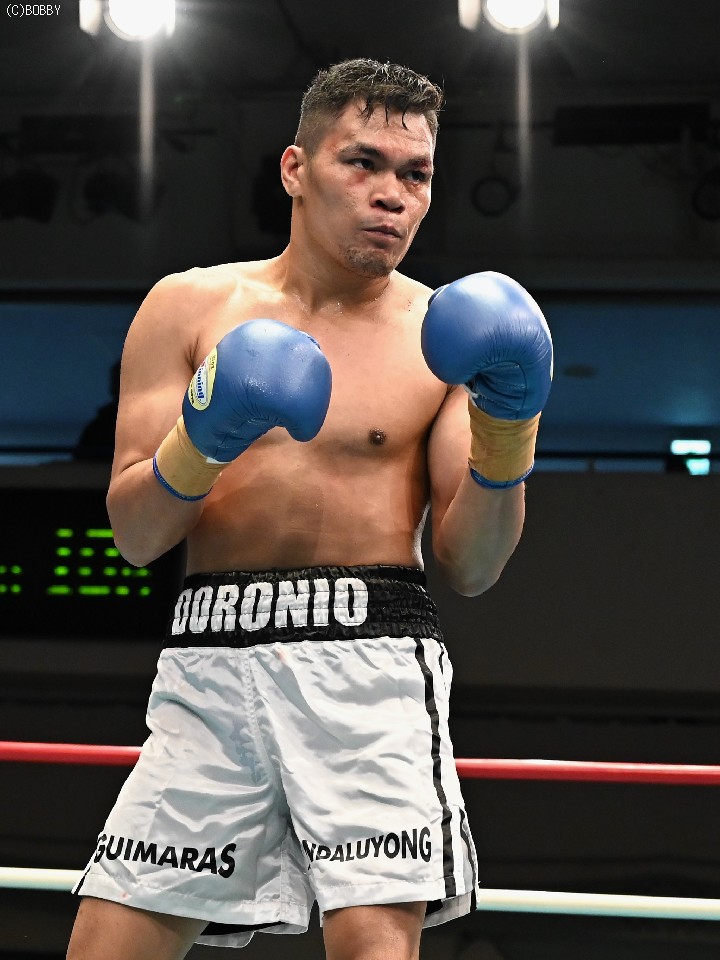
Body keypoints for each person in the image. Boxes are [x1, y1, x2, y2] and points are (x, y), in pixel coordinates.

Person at [66, 58, 552, 960]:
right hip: (211, 658)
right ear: (296, 168)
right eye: (362, 162)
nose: (392, 195)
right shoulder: (188, 307)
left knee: (373, 948)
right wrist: (206, 435)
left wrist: (510, 428)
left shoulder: (445, 337)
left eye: (416, 174)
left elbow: (475, 565)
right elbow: (135, 536)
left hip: (371, 660)